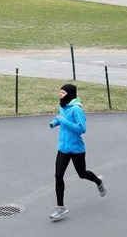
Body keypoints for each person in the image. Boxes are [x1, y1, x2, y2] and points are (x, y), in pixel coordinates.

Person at [49, 83, 107, 220]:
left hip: (76, 149)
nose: (60, 94)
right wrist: (56, 122)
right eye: (60, 92)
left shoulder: (76, 110)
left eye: (62, 92)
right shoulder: (63, 107)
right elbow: (63, 121)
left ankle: (98, 181)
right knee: (58, 176)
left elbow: (81, 129)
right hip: (63, 148)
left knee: (82, 174)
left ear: (69, 94)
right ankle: (60, 207)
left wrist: (62, 120)